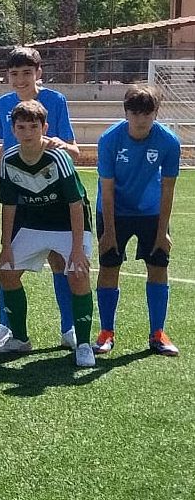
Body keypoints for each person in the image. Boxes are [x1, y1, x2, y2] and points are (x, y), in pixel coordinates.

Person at [0, 46, 82, 351]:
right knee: (8, 261)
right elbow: (6, 148)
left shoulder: (55, 100)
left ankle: (69, 328)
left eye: (27, 72)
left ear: (38, 72)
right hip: (21, 193)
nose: (20, 79)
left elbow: (74, 150)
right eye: (14, 73)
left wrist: (61, 145)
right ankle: (7, 327)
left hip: (53, 196)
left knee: (59, 261)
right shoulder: (4, 103)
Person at [0, 100, 96, 367]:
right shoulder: (9, 160)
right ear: (12, 129)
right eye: (21, 127)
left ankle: (83, 344)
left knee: (78, 273)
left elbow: (75, 204)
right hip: (34, 222)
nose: (27, 132)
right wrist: (6, 246)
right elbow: (9, 207)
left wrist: (76, 249)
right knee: (6, 271)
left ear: (44, 128)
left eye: (33, 126)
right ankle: (20, 339)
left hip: (68, 223)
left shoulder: (58, 157)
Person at [94, 85, 181, 356]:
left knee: (158, 267)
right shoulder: (109, 139)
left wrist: (162, 231)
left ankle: (158, 333)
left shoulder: (169, 141)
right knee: (109, 267)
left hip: (150, 213)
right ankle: (106, 332)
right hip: (114, 211)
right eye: (134, 113)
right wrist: (109, 231)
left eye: (147, 113)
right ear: (125, 112)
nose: (140, 119)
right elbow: (107, 188)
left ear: (156, 113)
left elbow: (168, 188)